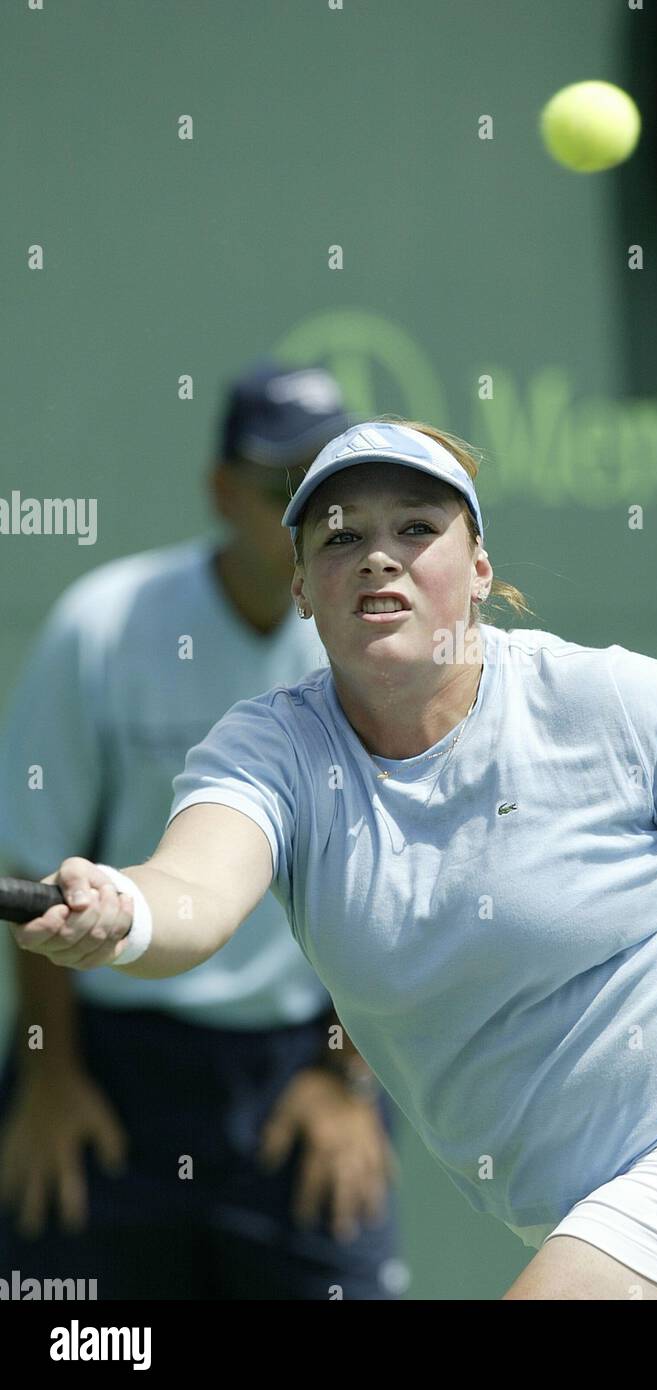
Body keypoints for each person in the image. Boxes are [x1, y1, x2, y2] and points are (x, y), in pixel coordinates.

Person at [10, 415, 657, 1301]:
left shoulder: (609, 705)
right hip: (589, 1212)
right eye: (340, 536)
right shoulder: (270, 751)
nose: (378, 556)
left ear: (478, 567)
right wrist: (125, 911)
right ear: (303, 587)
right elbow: (195, 893)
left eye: (417, 529)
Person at [0, 367, 403, 1301]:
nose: (318, 518)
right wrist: (50, 1081)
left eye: (333, 493)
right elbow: (33, 856)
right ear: (223, 493)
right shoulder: (102, 627)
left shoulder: (382, 644)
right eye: (283, 491)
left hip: (302, 1065)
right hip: (109, 1066)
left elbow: (406, 877)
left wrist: (345, 1079)